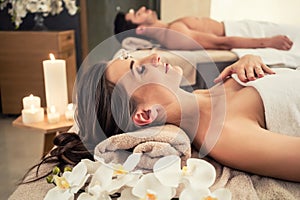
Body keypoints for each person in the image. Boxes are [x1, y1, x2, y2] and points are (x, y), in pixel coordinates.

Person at [23, 53, 300, 185]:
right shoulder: (223, 134)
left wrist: (250, 61)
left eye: (134, 59)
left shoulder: (210, 91)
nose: (152, 56)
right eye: (140, 71)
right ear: (144, 114)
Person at [114, 6, 294, 51]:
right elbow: (223, 43)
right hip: (248, 35)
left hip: (244, 28)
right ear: (139, 29)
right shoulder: (174, 34)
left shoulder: (171, 27)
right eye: (138, 14)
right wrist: (269, 42)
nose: (143, 9)